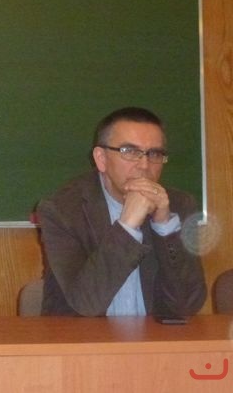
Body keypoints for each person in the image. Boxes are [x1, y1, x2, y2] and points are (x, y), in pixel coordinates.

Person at [38, 107, 206, 317]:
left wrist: (164, 226)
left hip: (154, 335)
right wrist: (127, 226)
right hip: (84, 335)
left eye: (154, 154)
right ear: (101, 158)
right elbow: (86, 303)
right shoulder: (62, 211)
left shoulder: (179, 205)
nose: (144, 165)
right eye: (130, 151)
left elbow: (188, 305)